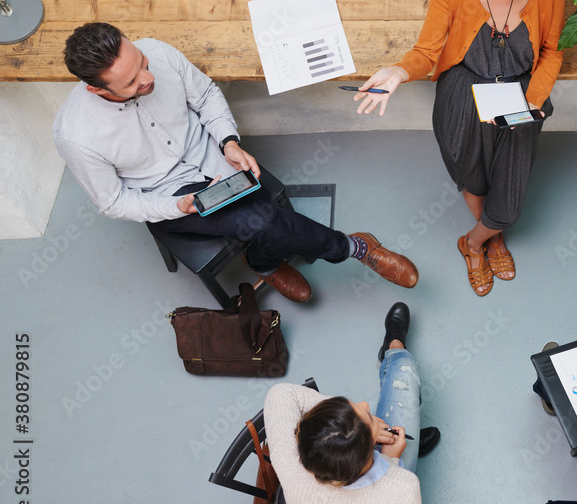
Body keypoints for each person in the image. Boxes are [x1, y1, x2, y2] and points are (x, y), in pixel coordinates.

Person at [53, 22, 418, 302]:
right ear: (96, 89)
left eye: (143, 65)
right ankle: (355, 247)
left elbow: (206, 95)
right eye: (132, 82)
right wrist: (178, 205)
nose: (148, 79)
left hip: (214, 160)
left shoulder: (156, 50)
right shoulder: (76, 135)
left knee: (265, 221)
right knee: (263, 220)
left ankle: (264, 263)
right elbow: (113, 201)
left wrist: (228, 141)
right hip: (170, 198)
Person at [354, 0, 566, 297]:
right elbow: (427, 51)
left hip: (520, 95)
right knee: (474, 179)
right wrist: (399, 71)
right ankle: (491, 241)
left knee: (509, 204)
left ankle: (473, 240)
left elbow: (553, 52)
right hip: (464, 93)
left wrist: (533, 100)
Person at [264, 302, 441, 504]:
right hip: (384, 486)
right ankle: (394, 345)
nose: (364, 403)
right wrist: (390, 461)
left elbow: (280, 393)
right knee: (404, 370)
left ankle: (391, 349)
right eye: (367, 415)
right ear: (370, 454)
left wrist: (350, 425)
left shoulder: (289, 463)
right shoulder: (403, 491)